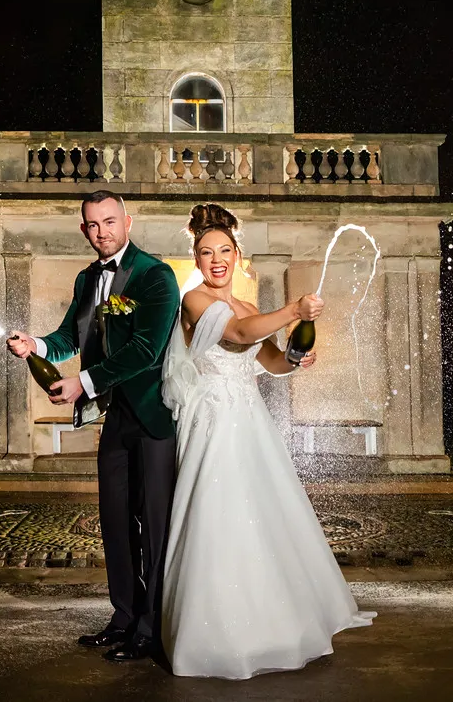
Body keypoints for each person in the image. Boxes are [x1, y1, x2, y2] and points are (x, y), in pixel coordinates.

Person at [159, 203, 375, 679]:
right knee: (217, 514)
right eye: (206, 252)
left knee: (261, 511)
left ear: (238, 254)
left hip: (250, 420)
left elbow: (269, 360)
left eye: (224, 250)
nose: (216, 259)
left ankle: (274, 620)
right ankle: (212, 633)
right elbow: (237, 334)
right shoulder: (194, 301)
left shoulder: (252, 306)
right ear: (196, 260)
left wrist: (297, 358)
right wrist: (294, 309)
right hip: (212, 422)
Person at [5, 191, 181, 662]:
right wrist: (36, 346)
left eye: (109, 221)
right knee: (116, 523)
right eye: (92, 224)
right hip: (115, 416)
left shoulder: (155, 276)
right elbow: (69, 338)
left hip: (154, 417)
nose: (101, 231)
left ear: (128, 220)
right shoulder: (87, 279)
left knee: (157, 528)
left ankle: (151, 628)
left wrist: (82, 384)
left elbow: (146, 349)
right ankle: (123, 617)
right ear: (84, 229)